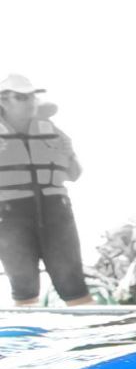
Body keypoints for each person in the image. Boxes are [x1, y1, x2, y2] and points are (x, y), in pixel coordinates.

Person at [0, 74, 92, 306]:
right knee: (24, 287)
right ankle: (26, 329)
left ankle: (89, 326)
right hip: (10, 215)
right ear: (4, 101)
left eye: (32, 96)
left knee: (73, 284)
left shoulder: (53, 131)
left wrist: (69, 153)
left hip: (56, 211)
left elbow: (75, 174)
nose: (30, 102)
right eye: (22, 97)